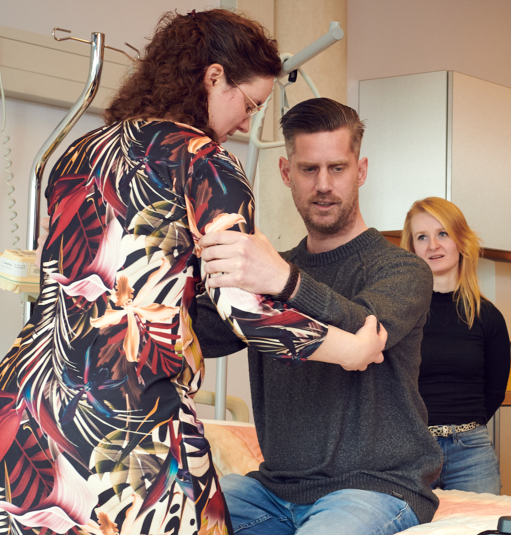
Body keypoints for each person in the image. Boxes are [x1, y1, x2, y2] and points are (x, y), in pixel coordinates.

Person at [0, 10, 388, 535]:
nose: (247, 124)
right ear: (213, 77)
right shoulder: (206, 163)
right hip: (124, 414)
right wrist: (350, 350)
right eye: (249, 104)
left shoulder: (80, 152)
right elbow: (243, 307)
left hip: (26, 404)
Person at [194, 98, 440, 533]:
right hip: (273, 489)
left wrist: (284, 280)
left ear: (360, 171)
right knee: (171, 516)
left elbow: (364, 331)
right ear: (286, 172)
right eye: (309, 169)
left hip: (376, 486)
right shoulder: (265, 273)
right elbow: (201, 335)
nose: (323, 185)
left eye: (337, 168)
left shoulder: (403, 269)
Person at [400, 197, 510, 495]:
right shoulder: (400, 314)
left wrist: (462, 428)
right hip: (411, 451)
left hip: (471, 453)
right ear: (412, 249)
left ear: (461, 240)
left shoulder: (488, 316)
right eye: (422, 237)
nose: (433, 245)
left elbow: (495, 391)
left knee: (483, 521)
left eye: (442, 233)